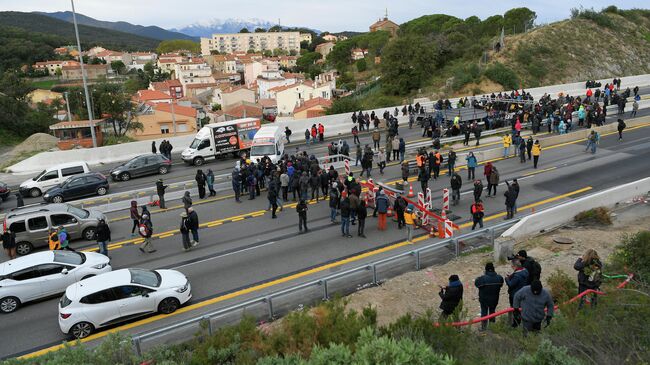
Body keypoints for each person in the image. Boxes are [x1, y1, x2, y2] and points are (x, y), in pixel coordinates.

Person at [474, 263, 504, 330]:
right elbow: (501, 285)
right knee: (492, 312)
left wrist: (481, 277)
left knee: (484, 313)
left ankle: (484, 328)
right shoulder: (499, 278)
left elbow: (476, 284)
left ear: (486, 270)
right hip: (494, 299)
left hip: (484, 299)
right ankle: (492, 328)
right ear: (494, 269)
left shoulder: (482, 278)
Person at [505, 259, 529, 327]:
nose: (512, 267)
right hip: (523, 292)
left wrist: (506, 279)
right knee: (522, 308)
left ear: (515, 266)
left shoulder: (517, 275)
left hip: (515, 294)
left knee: (515, 309)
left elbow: (511, 284)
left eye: (512, 266)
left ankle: (516, 324)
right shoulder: (525, 270)